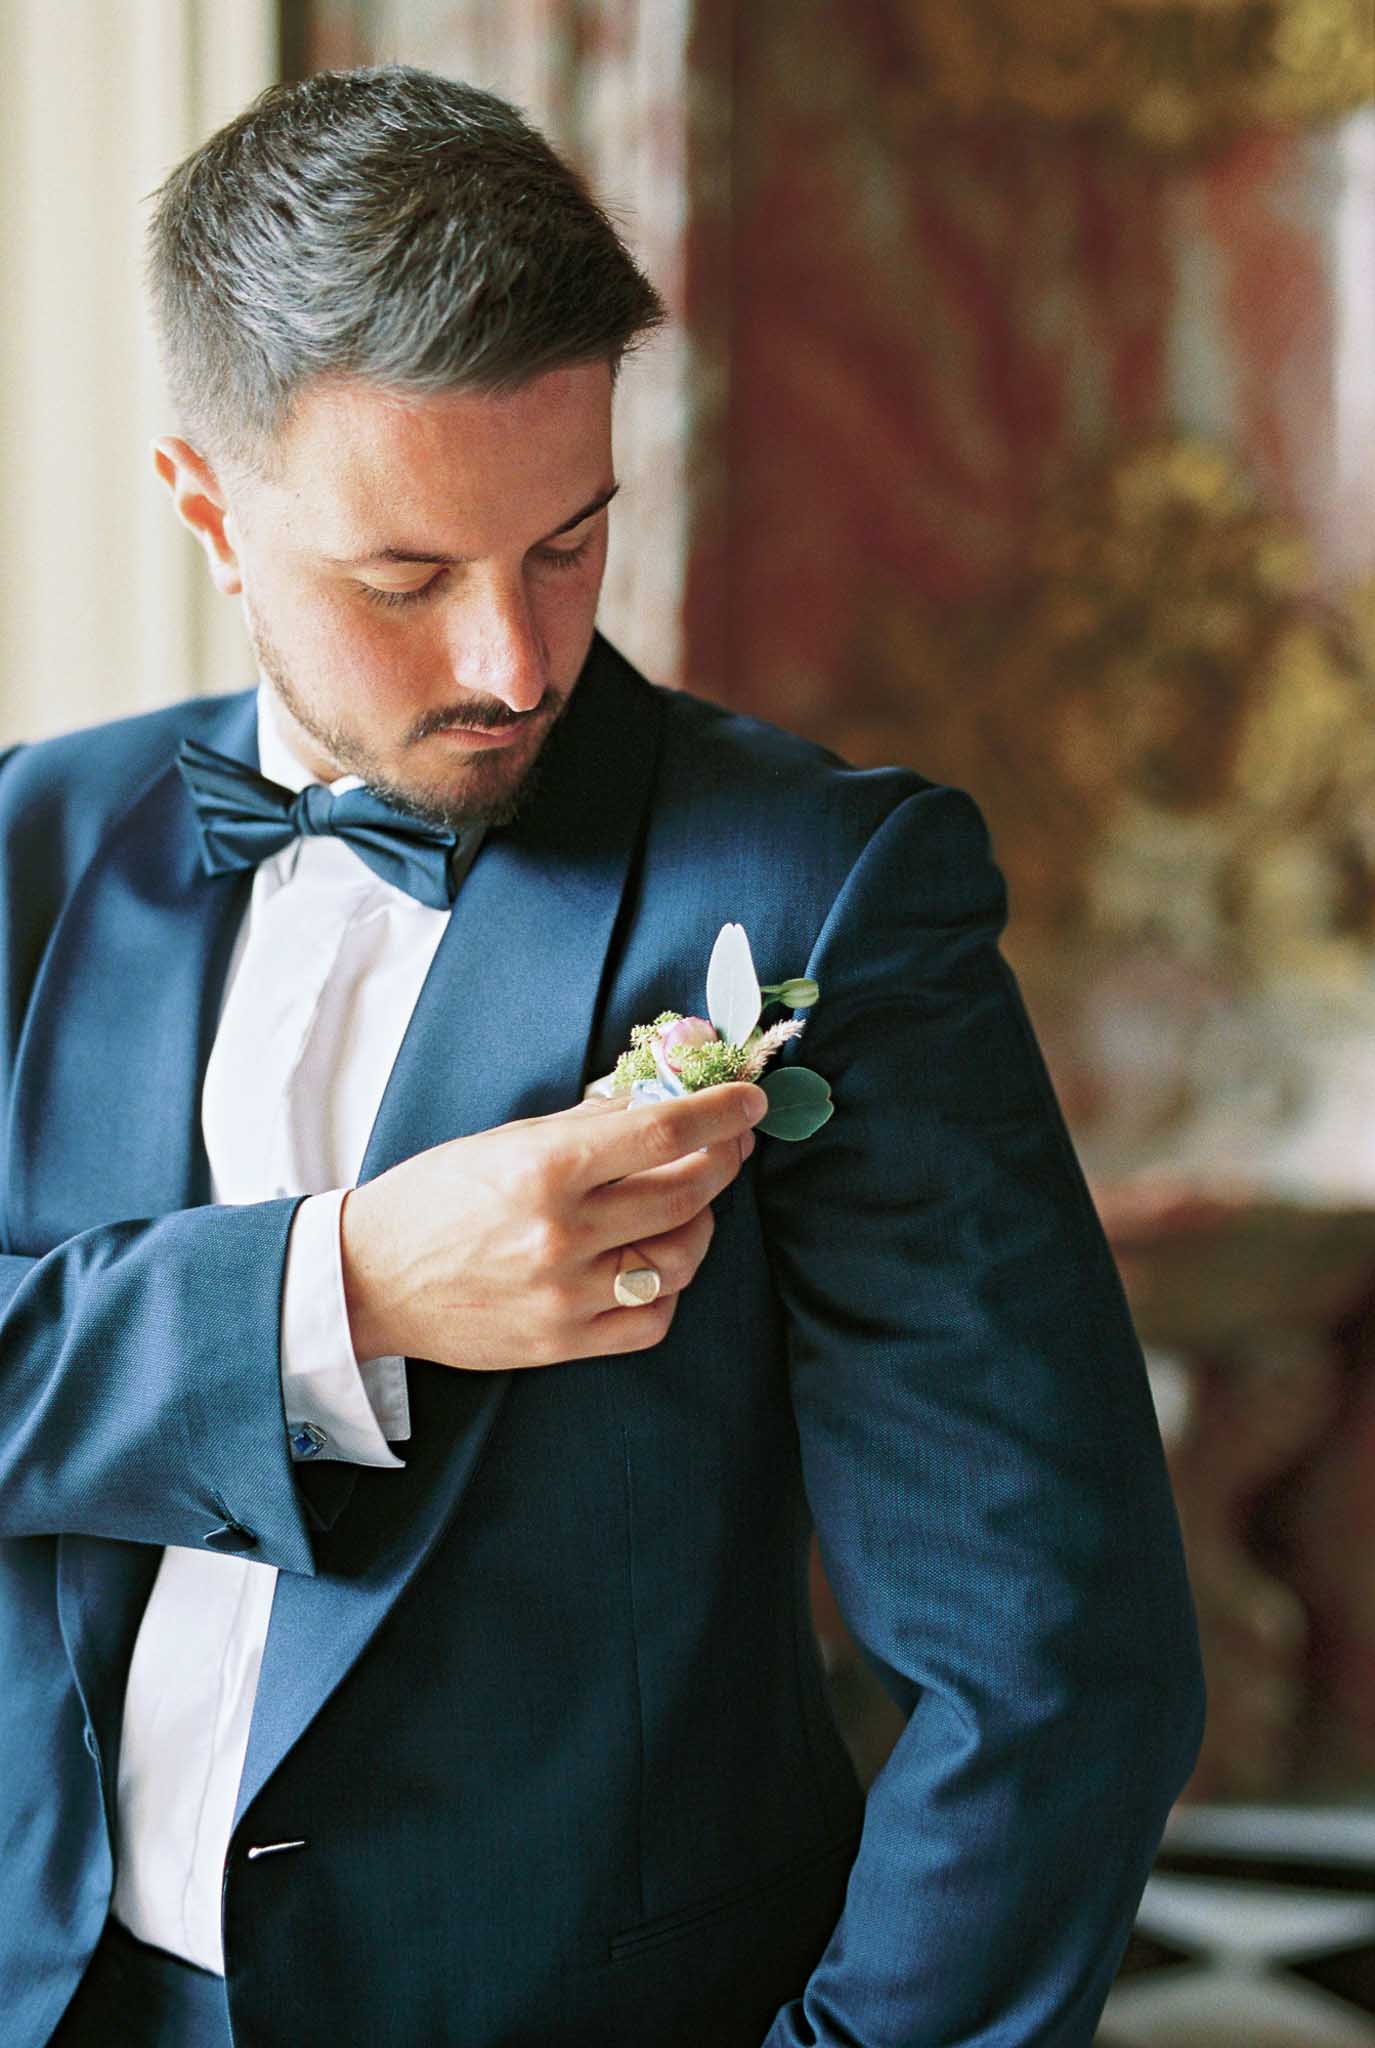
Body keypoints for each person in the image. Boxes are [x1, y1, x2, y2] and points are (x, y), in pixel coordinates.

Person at [0, 63, 1204, 2048]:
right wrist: (344, 1292)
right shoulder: (32, 843)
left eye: (568, 543)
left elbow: (1053, 1664)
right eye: (407, 578)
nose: (513, 661)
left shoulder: (822, 894)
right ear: (206, 506)